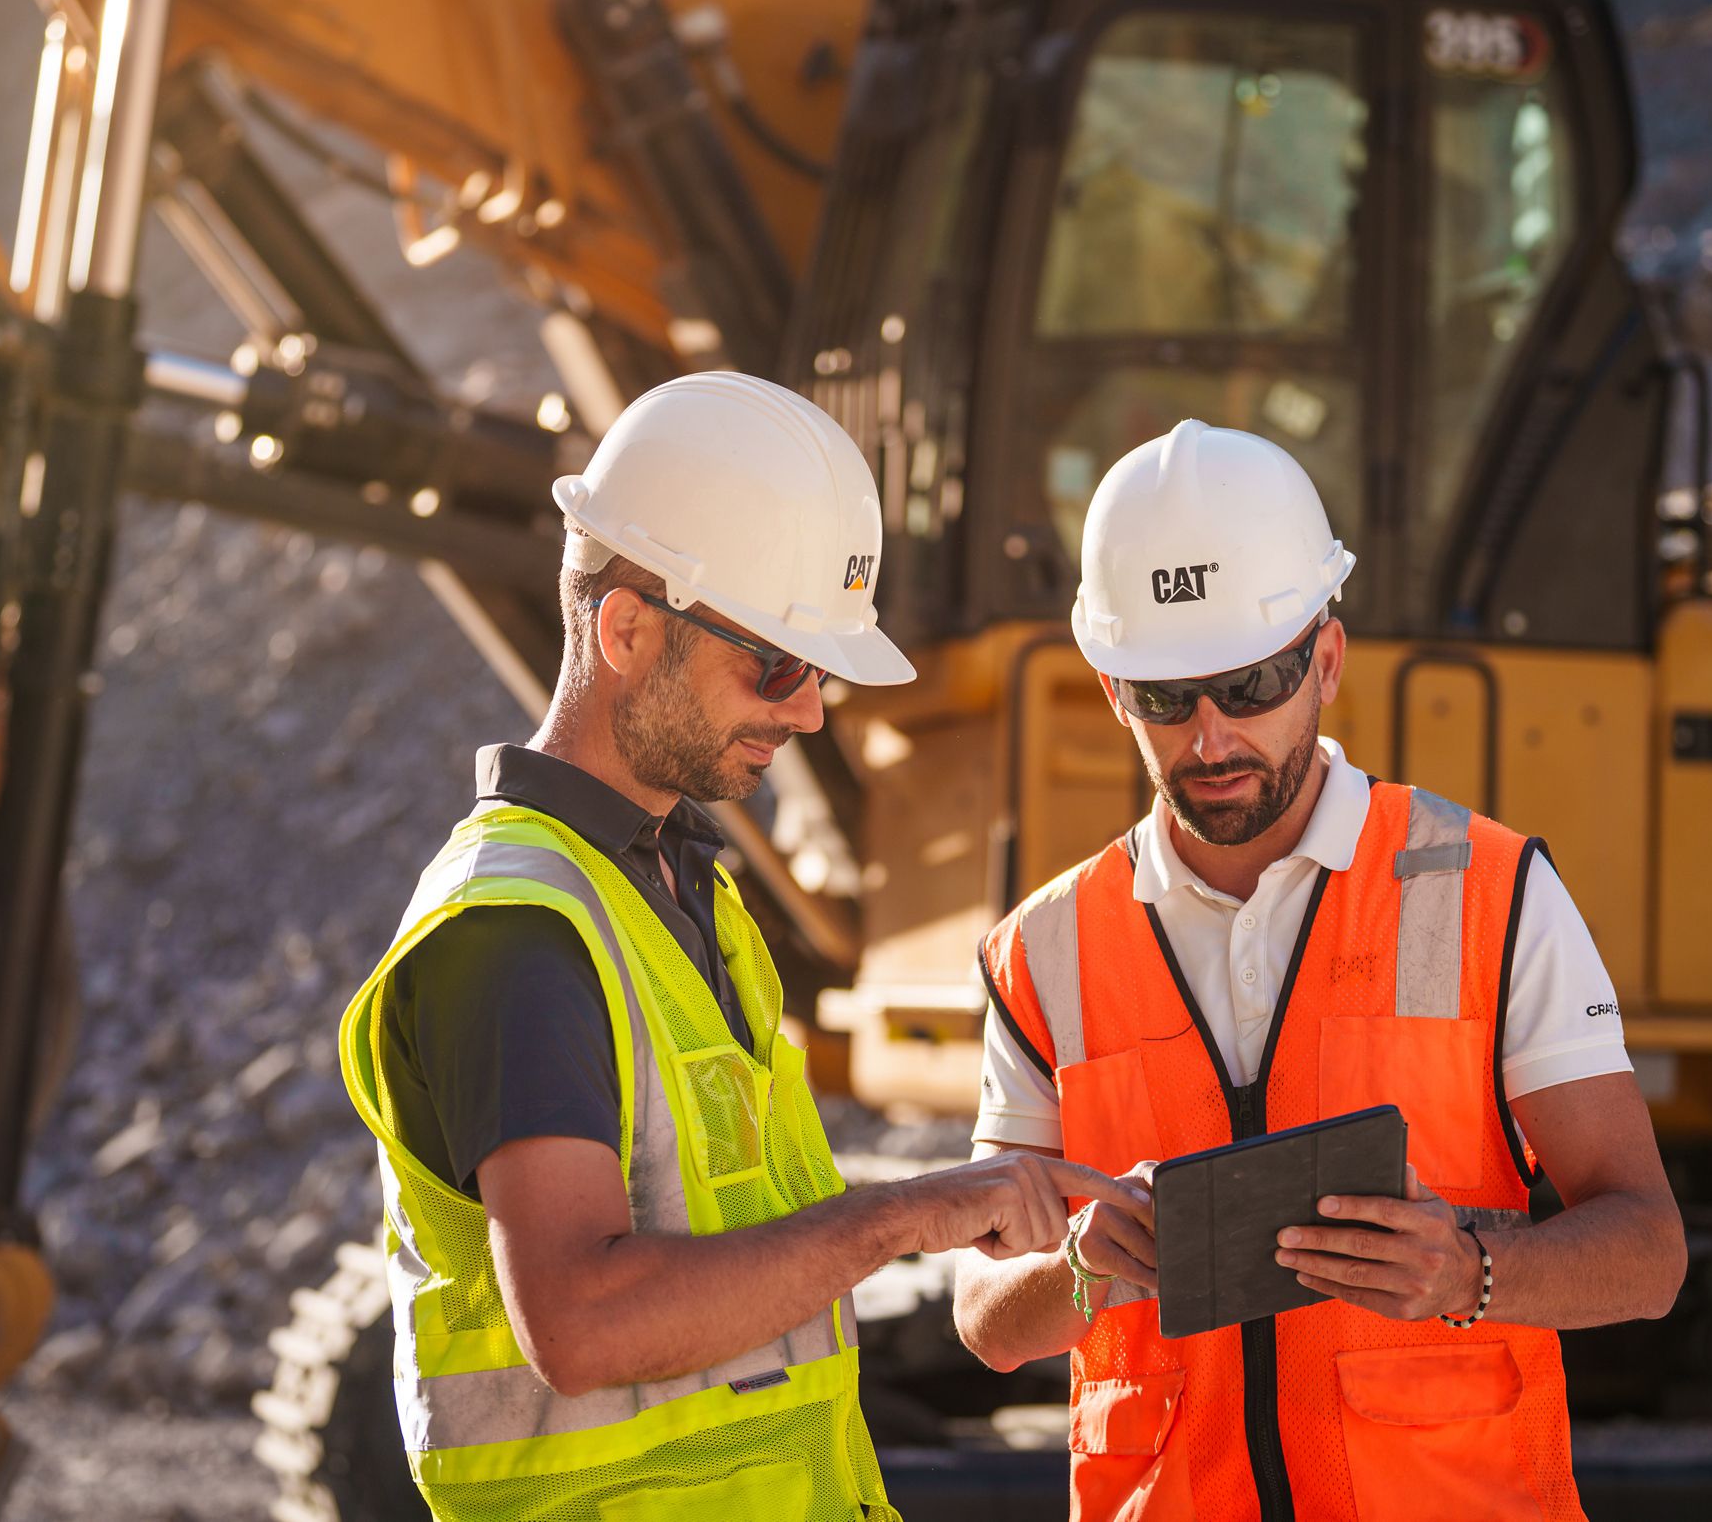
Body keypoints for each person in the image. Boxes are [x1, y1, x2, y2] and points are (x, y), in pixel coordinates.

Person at [338, 371, 1141, 1522]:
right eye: (775, 664)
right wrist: (908, 1215)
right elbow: (582, 1320)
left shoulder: (688, 893)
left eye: (817, 670)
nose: (809, 709)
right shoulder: (516, 935)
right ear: (624, 627)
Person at [953, 420, 1686, 1522]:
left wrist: (1469, 1274)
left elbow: (1648, 1250)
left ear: (1325, 660)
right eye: (1165, 696)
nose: (1209, 738)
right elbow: (983, 1314)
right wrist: (1079, 1267)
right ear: (1111, 690)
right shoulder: (1046, 947)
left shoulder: (1481, 887)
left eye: (1253, 683)